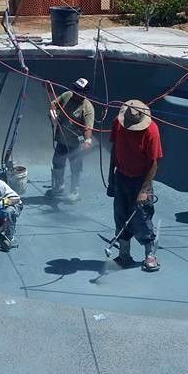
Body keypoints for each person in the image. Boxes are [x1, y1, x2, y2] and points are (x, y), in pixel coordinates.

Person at [107, 100, 162, 272]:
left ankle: (150, 255)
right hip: (121, 176)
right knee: (120, 215)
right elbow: (115, 149)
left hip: (141, 179)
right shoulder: (118, 123)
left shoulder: (152, 131)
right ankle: (124, 255)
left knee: (142, 216)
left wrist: (144, 190)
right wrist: (111, 176)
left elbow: (153, 163)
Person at [46, 78, 95, 202]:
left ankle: (74, 192)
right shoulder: (67, 95)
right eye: (75, 88)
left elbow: (88, 128)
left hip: (75, 143)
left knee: (75, 167)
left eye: (79, 90)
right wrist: (53, 113)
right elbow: (54, 103)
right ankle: (59, 187)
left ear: (85, 93)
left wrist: (87, 141)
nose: (75, 91)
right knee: (57, 162)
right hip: (62, 139)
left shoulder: (87, 108)